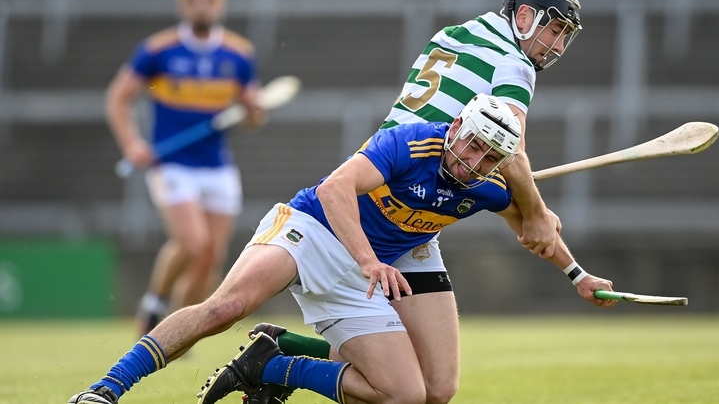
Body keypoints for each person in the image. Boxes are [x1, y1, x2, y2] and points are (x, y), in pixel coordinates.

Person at [66, 94, 615, 404]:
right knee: (225, 308)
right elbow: (334, 188)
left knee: (411, 396)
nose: (472, 161)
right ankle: (105, 390)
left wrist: (577, 275)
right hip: (314, 229)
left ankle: (276, 368)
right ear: (455, 128)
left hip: (366, 272)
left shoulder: (490, 186)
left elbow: (538, 235)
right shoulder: (410, 141)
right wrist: (369, 259)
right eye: (471, 143)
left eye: (489, 156)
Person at [243, 0, 590, 404]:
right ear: (524, 15)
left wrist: (577, 273)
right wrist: (536, 211)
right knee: (406, 391)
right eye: (554, 30)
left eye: (564, 37)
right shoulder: (515, 64)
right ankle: (275, 366)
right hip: (396, 202)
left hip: (398, 191)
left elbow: (482, 146)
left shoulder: (455, 35)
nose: (557, 47)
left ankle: (281, 349)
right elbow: (513, 148)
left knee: (434, 388)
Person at [105, 0, 264, 336]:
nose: (201, 6)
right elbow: (118, 98)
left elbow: (250, 115)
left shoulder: (239, 54)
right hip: (172, 163)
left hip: (217, 166)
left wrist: (254, 111)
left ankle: (178, 330)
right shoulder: (158, 50)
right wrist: (132, 143)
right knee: (194, 243)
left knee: (211, 258)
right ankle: (154, 302)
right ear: (182, 4)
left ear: (220, 3)